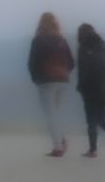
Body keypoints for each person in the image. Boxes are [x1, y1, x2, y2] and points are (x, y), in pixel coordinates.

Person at [28, 12, 74, 157]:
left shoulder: (38, 41)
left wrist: (35, 78)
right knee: (55, 112)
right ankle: (61, 139)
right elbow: (72, 62)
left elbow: (32, 62)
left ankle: (58, 147)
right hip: (62, 80)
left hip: (45, 81)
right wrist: (64, 73)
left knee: (50, 114)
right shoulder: (62, 40)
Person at [76, 23, 105, 158]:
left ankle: (93, 150)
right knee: (101, 119)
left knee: (91, 121)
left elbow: (83, 71)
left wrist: (80, 86)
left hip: (90, 89)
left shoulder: (83, 48)